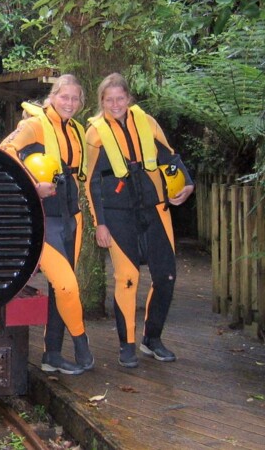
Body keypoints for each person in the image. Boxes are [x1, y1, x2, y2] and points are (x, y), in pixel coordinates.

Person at [85, 73, 194, 368]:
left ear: (129, 98)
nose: (116, 104)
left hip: (156, 209)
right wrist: (100, 223)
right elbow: (91, 183)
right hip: (118, 215)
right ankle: (127, 344)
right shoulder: (94, 134)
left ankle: (152, 339)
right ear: (102, 102)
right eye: (109, 100)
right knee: (127, 278)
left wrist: (188, 183)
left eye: (120, 98)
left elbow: (171, 157)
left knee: (166, 276)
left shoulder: (147, 123)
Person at [0, 74, 94, 375]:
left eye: (74, 98)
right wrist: (32, 185)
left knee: (60, 290)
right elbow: (5, 151)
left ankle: (52, 354)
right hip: (43, 219)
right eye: (63, 96)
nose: (69, 103)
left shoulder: (77, 130)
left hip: (71, 219)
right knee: (67, 284)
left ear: (81, 103)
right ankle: (82, 343)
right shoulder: (34, 125)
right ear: (52, 97)